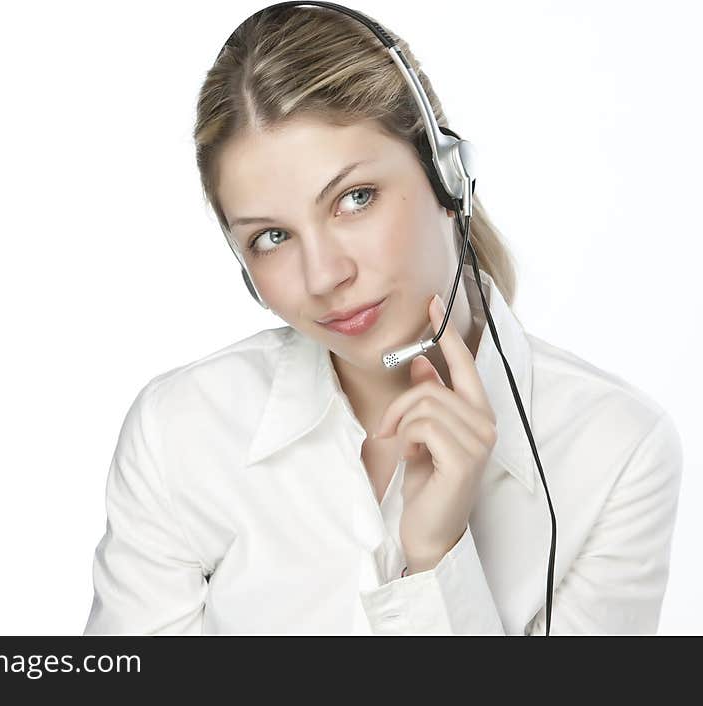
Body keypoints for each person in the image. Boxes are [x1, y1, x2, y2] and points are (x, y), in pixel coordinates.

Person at [83, 5, 683, 635]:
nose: (323, 276)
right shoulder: (182, 432)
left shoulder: (617, 453)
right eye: (272, 237)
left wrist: (437, 559)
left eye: (354, 199)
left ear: (449, 180)